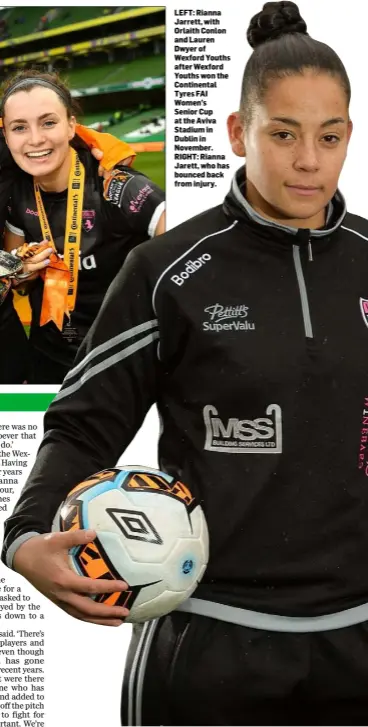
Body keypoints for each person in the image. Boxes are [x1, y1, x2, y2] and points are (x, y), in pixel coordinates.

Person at [3, 1, 368, 724]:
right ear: (238, 131)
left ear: (349, 135)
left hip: (358, 636)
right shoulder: (168, 270)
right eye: (283, 133)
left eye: (329, 137)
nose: (308, 159)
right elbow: (82, 424)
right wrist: (23, 538)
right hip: (206, 642)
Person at [1, 69, 165, 384]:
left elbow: (192, 252)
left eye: (49, 122)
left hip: (119, 366)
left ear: (72, 126)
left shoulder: (115, 186)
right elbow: (18, 281)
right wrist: (20, 272)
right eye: (19, 127)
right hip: (46, 365)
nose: (36, 139)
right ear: (6, 135)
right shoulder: (18, 193)